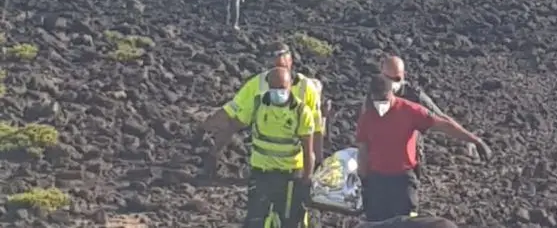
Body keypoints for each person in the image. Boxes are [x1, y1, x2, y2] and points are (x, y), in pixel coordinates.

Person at [356, 75, 492, 223]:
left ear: (391, 93)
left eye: (384, 100)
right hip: (378, 181)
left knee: (408, 222)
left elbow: (444, 126)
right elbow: (363, 151)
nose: (381, 105)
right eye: (377, 101)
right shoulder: (368, 117)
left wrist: (475, 140)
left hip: (402, 181)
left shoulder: (410, 111)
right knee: (377, 223)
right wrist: (364, 181)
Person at [200, 67, 315, 228]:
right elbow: (234, 125)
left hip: (290, 177)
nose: (278, 92)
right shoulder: (257, 104)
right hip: (262, 174)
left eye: (282, 88)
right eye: (274, 87)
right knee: (255, 221)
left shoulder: (302, 112)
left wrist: (306, 181)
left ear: (290, 86)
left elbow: (309, 150)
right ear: (268, 85)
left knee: (290, 222)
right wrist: (215, 151)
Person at [200, 43, 326, 174]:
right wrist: (212, 150)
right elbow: (232, 117)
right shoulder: (257, 85)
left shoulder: (306, 88)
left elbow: (316, 130)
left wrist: (317, 165)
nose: (278, 72)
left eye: (282, 66)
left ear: (290, 61)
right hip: (263, 164)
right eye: (274, 68)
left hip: (294, 164)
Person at [377, 55, 476, 180]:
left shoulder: (414, 96)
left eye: (395, 78)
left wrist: (471, 139)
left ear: (403, 76)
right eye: (387, 77)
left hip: (408, 161)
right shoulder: (376, 94)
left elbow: (441, 118)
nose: (391, 82)